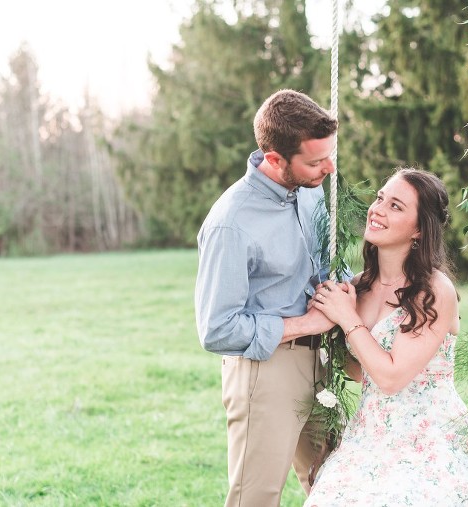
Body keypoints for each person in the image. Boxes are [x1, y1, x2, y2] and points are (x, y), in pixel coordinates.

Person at [304, 168, 468, 506]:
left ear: (418, 229)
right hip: (371, 434)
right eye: (380, 198)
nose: (378, 209)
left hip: (430, 438)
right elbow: (361, 372)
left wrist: (347, 319)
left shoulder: (433, 291)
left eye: (396, 206)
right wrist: (324, 322)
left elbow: (389, 378)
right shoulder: (359, 286)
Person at [195, 89, 339, 507]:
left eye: (328, 156)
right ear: (274, 159)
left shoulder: (310, 191)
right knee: (256, 499)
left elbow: (321, 265)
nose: (328, 168)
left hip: (323, 363)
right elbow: (217, 328)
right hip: (266, 372)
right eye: (315, 162)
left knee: (339, 486)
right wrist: (305, 324)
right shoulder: (231, 223)